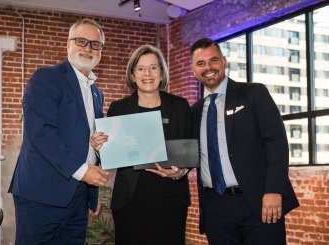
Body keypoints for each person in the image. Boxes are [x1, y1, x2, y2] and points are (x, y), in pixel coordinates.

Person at [8, 19, 110, 245]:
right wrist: (83, 171)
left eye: (95, 44)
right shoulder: (46, 78)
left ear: (101, 50)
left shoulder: (97, 93)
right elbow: (40, 132)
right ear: (68, 44)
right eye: (81, 41)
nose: (88, 48)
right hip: (41, 195)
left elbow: (85, 138)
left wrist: (97, 143)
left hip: (79, 197)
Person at [190, 38, 299, 245]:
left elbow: (276, 143)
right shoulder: (194, 112)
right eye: (201, 63)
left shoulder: (254, 93)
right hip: (215, 206)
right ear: (193, 69)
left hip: (259, 201)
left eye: (213, 60)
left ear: (224, 61)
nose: (208, 68)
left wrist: (274, 190)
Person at [92, 44, 192, 245]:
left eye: (154, 67)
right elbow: (111, 156)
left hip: (171, 201)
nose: (147, 74)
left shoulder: (180, 106)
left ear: (162, 74)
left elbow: (190, 152)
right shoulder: (119, 108)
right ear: (132, 75)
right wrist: (100, 147)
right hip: (130, 203)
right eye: (140, 68)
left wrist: (180, 173)